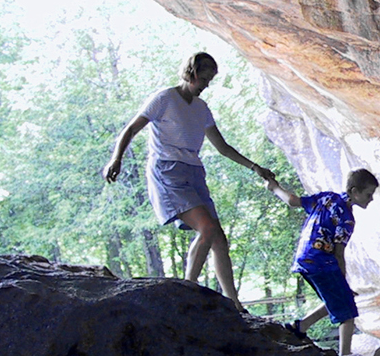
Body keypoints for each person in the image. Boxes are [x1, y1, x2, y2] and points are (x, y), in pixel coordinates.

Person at [102, 52, 273, 309]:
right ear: (191, 73)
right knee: (206, 228)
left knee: (219, 238)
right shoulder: (164, 99)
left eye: (210, 80)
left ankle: (234, 302)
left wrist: (255, 167)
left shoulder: (202, 109)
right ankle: (188, 290)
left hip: (195, 172)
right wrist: (116, 159)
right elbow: (131, 128)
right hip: (168, 171)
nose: (206, 85)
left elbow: (222, 147)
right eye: (204, 78)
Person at [264, 169, 379, 356]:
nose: (371, 199)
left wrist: (275, 187)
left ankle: (300, 326)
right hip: (322, 263)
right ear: (354, 191)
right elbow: (339, 253)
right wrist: (343, 281)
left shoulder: (328, 198)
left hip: (304, 260)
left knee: (336, 301)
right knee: (347, 312)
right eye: (369, 194)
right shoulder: (347, 219)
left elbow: (293, 201)